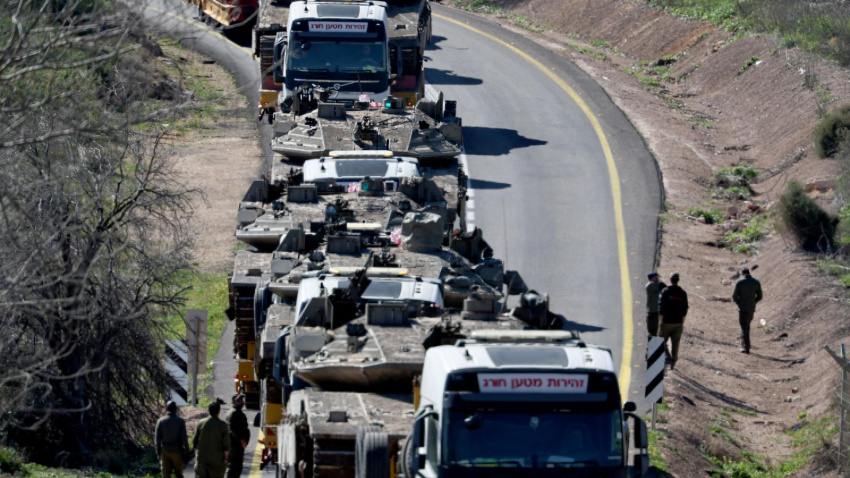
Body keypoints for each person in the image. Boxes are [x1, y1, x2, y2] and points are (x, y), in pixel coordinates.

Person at [658, 272, 688, 370]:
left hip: (666, 322)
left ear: (670, 280)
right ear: (678, 280)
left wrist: (661, 321)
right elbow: (685, 309)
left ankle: (668, 357)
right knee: (676, 344)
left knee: (661, 341)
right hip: (678, 323)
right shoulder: (682, 293)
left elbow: (661, 307)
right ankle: (673, 365)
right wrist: (682, 323)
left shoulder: (665, 291)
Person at [193, 399, 231, 478]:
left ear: (208, 410)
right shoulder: (223, 425)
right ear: (219, 411)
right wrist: (225, 460)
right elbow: (226, 446)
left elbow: (195, 442)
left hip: (202, 461)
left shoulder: (201, 423)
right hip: (217, 463)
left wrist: (197, 457)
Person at [155, 401, 191, 478]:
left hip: (165, 450)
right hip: (177, 450)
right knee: (178, 474)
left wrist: (158, 453)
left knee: (166, 474)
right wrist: (187, 452)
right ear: (175, 409)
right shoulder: (180, 421)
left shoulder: (160, 421)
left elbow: (157, 439)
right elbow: (184, 439)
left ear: (166, 409)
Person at [733, 267, 763, 354]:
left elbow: (734, 297)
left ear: (742, 273)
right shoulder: (756, 282)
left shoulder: (739, 282)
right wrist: (754, 302)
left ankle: (746, 347)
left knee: (744, 327)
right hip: (751, 308)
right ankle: (745, 344)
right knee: (747, 325)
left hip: (742, 308)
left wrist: (739, 303)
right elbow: (760, 296)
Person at [225, 394, 251, 478]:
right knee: (233, 467)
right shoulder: (233, 413)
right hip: (233, 445)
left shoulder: (239, 413)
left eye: (241, 400)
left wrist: (245, 440)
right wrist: (241, 440)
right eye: (238, 400)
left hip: (238, 445)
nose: (241, 402)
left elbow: (245, 428)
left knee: (238, 467)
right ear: (233, 402)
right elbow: (232, 429)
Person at [644, 271, 667, 337]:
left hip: (658, 312)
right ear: (650, 279)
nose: (657, 279)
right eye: (655, 278)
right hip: (652, 312)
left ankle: (657, 346)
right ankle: (652, 346)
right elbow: (663, 286)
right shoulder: (649, 286)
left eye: (657, 277)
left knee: (659, 331)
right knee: (652, 332)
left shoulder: (657, 286)